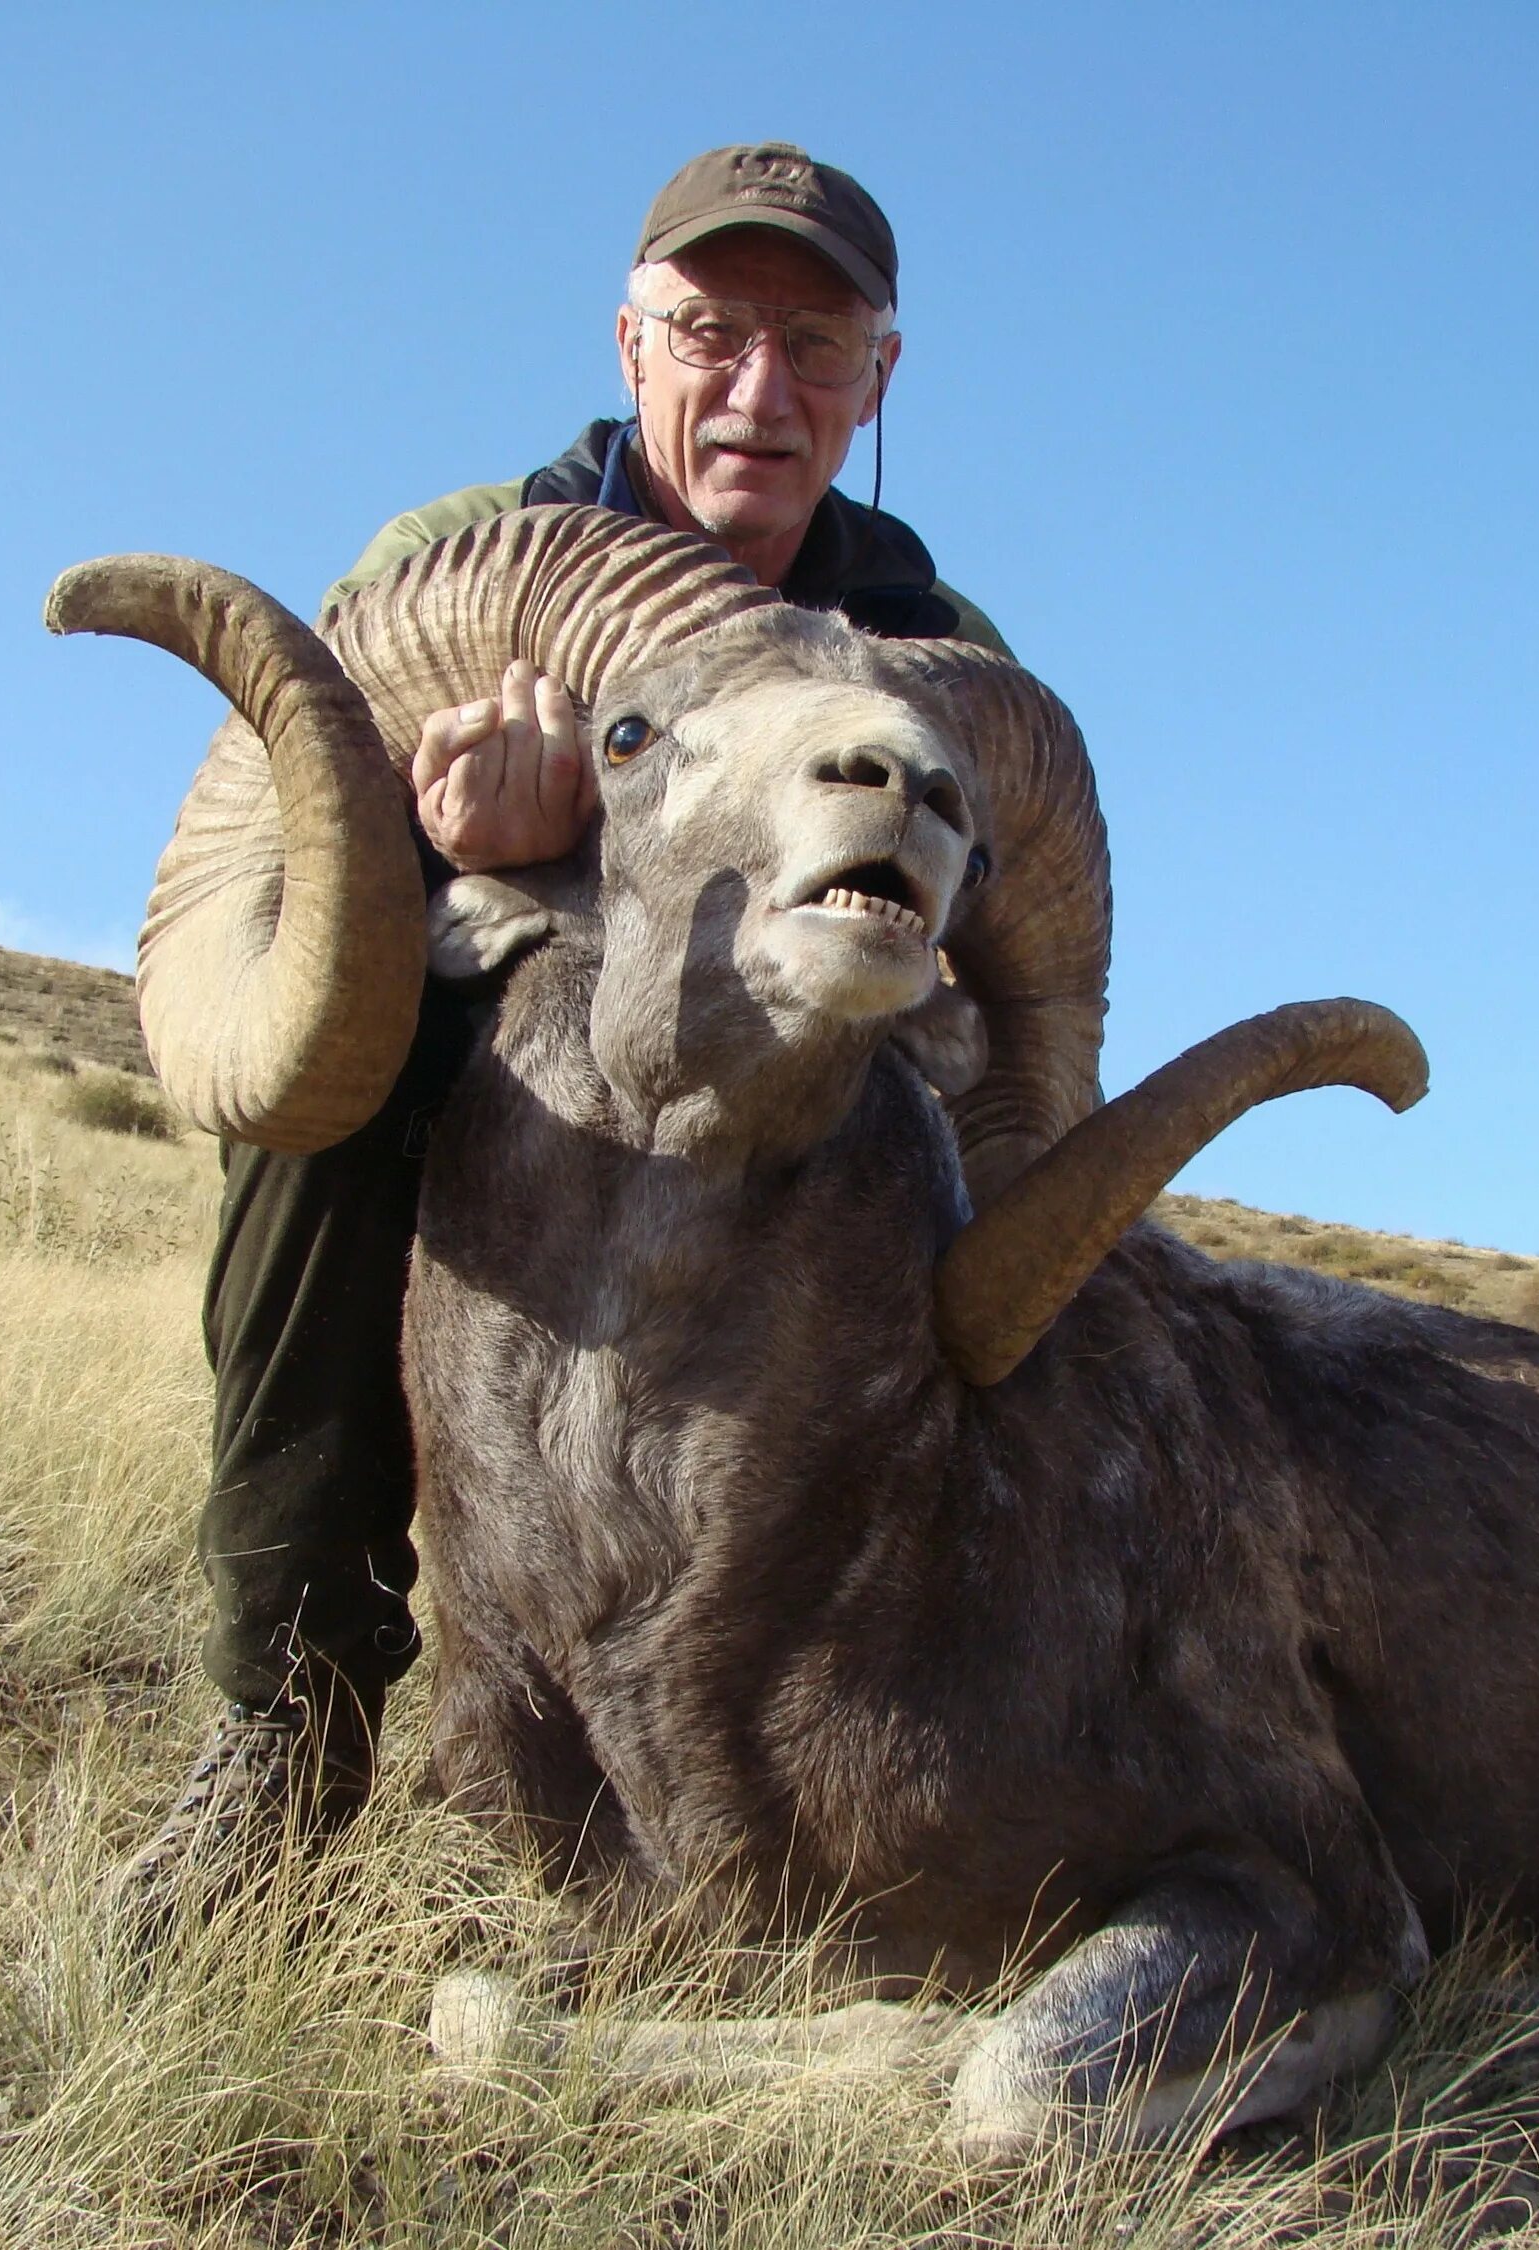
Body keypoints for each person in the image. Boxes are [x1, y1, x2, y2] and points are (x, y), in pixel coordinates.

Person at [116, 142, 1009, 1921]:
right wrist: (447, 840)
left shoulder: (925, 644)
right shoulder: (465, 561)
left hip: (781, 1125)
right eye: (710, 330)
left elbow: (981, 962)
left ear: (879, 379)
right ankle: (288, 1712)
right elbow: (283, 875)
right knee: (323, 1101)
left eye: (817, 346)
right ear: (630, 341)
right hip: (495, 1075)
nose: (759, 389)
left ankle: (869, 1741)